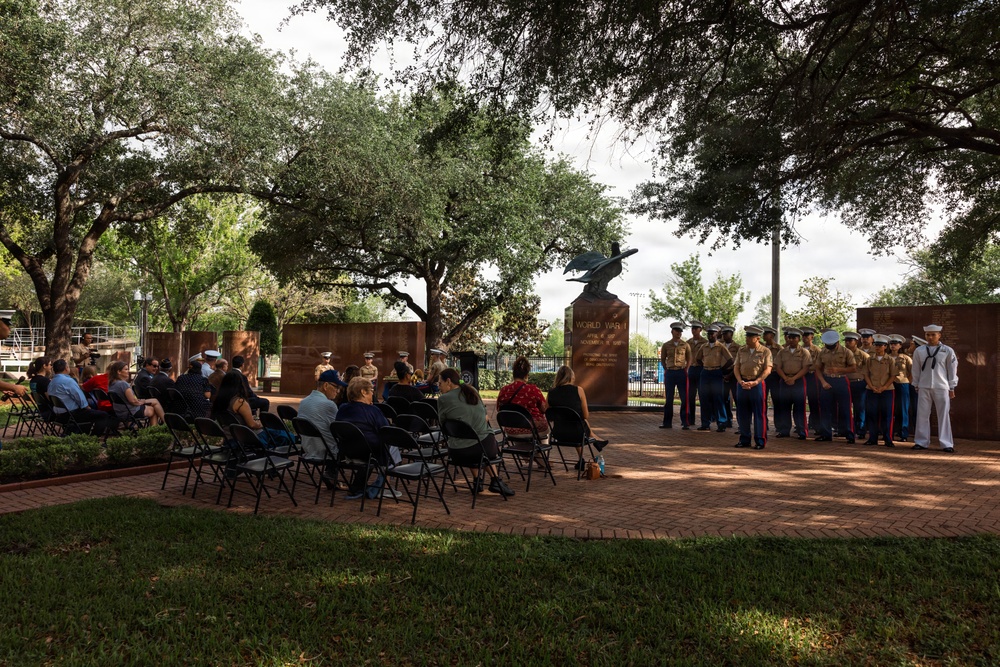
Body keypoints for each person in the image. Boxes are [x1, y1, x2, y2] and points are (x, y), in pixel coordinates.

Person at [437, 368, 514, 497]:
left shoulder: (443, 399)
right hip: (484, 448)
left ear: (448, 381)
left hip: (457, 452)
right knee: (480, 436)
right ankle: (496, 480)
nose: (439, 387)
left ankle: (478, 481)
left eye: (440, 383)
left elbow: (442, 423)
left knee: (470, 436)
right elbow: (486, 417)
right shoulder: (472, 391)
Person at [336, 376, 403, 500]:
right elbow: (386, 430)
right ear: (363, 392)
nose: (373, 393)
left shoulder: (342, 409)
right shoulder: (372, 410)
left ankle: (360, 486)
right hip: (370, 453)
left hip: (346, 452)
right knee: (392, 445)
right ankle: (384, 487)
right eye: (371, 390)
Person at [547, 366, 608, 469]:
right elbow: (586, 415)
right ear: (571, 377)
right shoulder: (578, 390)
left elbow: (547, 413)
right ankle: (596, 439)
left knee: (576, 422)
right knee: (580, 422)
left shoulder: (551, 393)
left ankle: (582, 459)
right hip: (577, 433)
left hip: (558, 433)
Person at [911, 324, 959, 452]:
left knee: (943, 415)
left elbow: (952, 369)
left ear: (939, 335)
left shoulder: (947, 350)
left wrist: (952, 387)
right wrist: (916, 384)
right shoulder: (919, 350)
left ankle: (946, 443)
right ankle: (921, 442)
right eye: (928, 335)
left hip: (941, 386)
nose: (930, 337)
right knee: (922, 414)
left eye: (933, 334)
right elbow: (915, 369)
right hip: (924, 386)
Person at [47, 358, 115, 435]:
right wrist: (87, 407)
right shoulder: (68, 381)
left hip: (58, 414)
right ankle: (94, 438)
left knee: (89, 415)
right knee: (103, 415)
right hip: (71, 414)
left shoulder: (51, 382)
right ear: (66, 368)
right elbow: (80, 398)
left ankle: (83, 434)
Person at [814, 330, 857, 443]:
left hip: (841, 380)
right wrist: (823, 382)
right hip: (827, 380)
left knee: (845, 408)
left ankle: (849, 434)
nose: (829, 347)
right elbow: (818, 368)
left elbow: (853, 368)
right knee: (824, 408)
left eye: (831, 345)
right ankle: (826, 434)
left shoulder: (846, 352)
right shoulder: (823, 352)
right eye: (827, 345)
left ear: (837, 343)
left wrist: (839, 369)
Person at [733, 326, 772, 450]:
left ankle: (760, 440)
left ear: (758, 338)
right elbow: (736, 367)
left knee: (759, 413)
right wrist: (740, 381)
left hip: (757, 384)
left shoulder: (765, 351)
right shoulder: (741, 350)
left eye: (750, 336)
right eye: (747, 336)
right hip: (742, 383)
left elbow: (768, 369)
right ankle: (744, 439)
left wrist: (756, 381)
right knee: (743, 413)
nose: (747, 339)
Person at [771, 328, 810, 439]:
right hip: (785, 381)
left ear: (799, 339)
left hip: (798, 381)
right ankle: (784, 430)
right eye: (790, 337)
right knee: (784, 407)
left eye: (794, 338)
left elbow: (806, 368)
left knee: (799, 407)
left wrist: (794, 378)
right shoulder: (782, 351)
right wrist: (785, 378)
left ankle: (802, 431)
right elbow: (777, 366)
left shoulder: (804, 352)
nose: (791, 340)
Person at [496, 356, 549, 437]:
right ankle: (542, 449)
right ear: (526, 375)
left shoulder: (503, 390)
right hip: (532, 428)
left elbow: (499, 409)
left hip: (511, 429)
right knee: (544, 428)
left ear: (513, 374)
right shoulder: (533, 390)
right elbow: (544, 409)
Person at [695, 325, 733, 432]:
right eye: (709, 333)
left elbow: (730, 360)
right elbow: (698, 358)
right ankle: (705, 423)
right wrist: (703, 367)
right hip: (705, 373)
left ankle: (721, 423)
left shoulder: (720, 346)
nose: (710, 335)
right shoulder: (704, 346)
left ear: (717, 334)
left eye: (713, 333)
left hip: (716, 372)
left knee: (718, 399)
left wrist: (722, 370)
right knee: (704, 399)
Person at [297, 369, 341, 459]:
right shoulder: (329, 405)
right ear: (325, 385)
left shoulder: (303, 401)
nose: (338, 391)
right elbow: (338, 431)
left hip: (307, 449)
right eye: (336, 387)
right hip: (328, 452)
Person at [108, 360, 165, 426]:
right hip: (131, 411)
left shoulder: (111, 384)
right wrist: (142, 402)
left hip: (119, 411)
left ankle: (164, 423)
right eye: (126, 369)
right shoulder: (123, 384)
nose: (128, 371)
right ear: (119, 372)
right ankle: (157, 429)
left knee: (155, 401)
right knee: (154, 409)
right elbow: (133, 401)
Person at [863, 335, 896, 447]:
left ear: (885, 346)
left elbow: (893, 376)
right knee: (872, 414)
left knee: (887, 415)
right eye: (876, 345)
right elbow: (866, 374)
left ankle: (888, 439)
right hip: (872, 390)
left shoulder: (890, 360)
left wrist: (884, 387)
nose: (877, 347)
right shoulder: (869, 359)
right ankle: (873, 438)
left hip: (887, 390)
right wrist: (871, 386)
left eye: (880, 345)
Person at [660, 322, 692, 429]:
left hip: (681, 372)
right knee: (669, 399)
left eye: (680, 331)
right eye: (677, 331)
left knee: (684, 398)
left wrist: (686, 369)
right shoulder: (666, 345)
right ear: (672, 332)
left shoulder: (685, 345)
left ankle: (685, 422)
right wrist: (666, 369)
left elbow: (689, 358)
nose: (679, 333)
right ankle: (667, 423)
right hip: (670, 372)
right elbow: (663, 359)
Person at [843, 332, 869, 440]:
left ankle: (861, 430)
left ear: (856, 341)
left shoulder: (863, 355)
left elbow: (869, 370)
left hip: (859, 383)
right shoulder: (842, 354)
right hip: (846, 382)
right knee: (846, 407)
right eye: (846, 341)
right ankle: (849, 430)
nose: (848, 343)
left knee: (860, 408)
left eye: (850, 341)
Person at [888, 335, 913, 442]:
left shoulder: (905, 358)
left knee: (903, 409)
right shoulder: (886, 357)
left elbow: (912, 372)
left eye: (895, 344)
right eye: (891, 344)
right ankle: (890, 432)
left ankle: (903, 434)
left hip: (902, 384)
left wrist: (908, 382)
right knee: (890, 409)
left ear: (900, 345)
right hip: (889, 385)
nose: (893, 346)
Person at [685, 320, 707, 427]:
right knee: (690, 396)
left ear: (700, 330)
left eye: (696, 328)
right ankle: (690, 420)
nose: (693, 330)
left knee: (703, 397)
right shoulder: (687, 343)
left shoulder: (705, 342)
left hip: (701, 369)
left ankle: (704, 421)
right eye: (692, 328)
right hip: (691, 370)